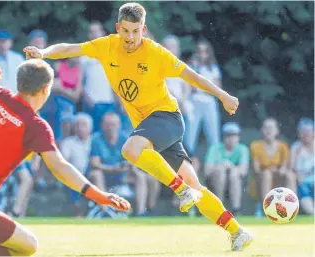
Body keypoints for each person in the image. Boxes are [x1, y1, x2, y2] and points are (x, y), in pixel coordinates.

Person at [24, 2, 252, 251]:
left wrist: (223, 96)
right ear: (118, 28)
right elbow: (70, 48)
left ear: (143, 29)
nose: (131, 37)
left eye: (136, 31)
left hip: (168, 119)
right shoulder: (107, 45)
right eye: (126, 31)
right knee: (196, 185)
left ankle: (181, 190)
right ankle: (237, 232)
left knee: (130, 150)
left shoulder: (155, 52)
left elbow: (192, 76)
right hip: (150, 128)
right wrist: (44, 53)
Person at [0, 60, 130, 256]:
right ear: (45, 89)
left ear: (20, 83)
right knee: (27, 246)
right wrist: (99, 195)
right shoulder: (35, 126)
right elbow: (59, 166)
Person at [204, 122, 249, 215]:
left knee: (234, 173)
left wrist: (231, 166)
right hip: (215, 181)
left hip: (236, 181)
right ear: (223, 137)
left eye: (234, 135)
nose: (231, 139)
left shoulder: (242, 149)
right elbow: (207, 171)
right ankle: (218, 207)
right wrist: (221, 166)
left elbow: (243, 171)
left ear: (238, 137)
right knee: (220, 171)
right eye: (228, 135)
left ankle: (236, 209)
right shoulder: (215, 148)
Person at [290, 118, 314, 215]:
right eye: (303, 131)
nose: (306, 134)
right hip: (303, 183)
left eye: (309, 131)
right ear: (299, 133)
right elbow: (291, 168)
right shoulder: (296, 148)